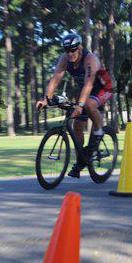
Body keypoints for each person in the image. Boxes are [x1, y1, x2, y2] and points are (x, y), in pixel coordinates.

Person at [36, 32, 113, 178]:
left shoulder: (90, 59)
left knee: (88, 105)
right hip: (87, 91)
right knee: (77, 125)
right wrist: (46, 99)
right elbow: (55, 78)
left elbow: (89, 84)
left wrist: (80, 106)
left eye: (73, 50)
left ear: (80, 48)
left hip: (103, 88)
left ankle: (99, 132)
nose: (70, 54)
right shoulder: (65, 59)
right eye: (67, 50)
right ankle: (80, 161)